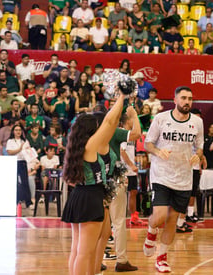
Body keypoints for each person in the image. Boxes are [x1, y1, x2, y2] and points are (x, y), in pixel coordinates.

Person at [61, 89, 125, 275]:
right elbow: (110, 122)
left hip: (84, 195)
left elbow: (110, 124)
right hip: (89, 197)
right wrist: (122, 96)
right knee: (84, 252)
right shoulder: (91, 146)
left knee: (80, 249)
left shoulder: (85, 146)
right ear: (92, 130)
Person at [143, 86, 204, 272]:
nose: (187, 102)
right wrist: (157, 151)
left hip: (184, 177)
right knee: (160, 216)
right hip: (161, 174)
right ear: (175, 99)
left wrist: (198, 155)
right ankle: (151, 230)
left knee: (172, 220)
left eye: (190, 99)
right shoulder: (161, 119)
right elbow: (148, 144)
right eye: (184, 98)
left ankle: (162, 257)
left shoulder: (197, 122)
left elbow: (199, 146)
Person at [107, 105, 141, 272]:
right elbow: (137, 133)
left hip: (96, 178)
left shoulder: (91, 132)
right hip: (114, 176)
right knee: (118, 221)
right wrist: (134, 115)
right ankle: (121, 260)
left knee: (100, 221)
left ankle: (96, 258)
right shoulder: (115, 131)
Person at [6, 124, 33, 209]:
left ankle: (28, 202)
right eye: (16, 130)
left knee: (25, 182)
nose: (18, 132)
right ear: (13, 132)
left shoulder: (25, 141)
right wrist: (20, 149)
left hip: (23, 162)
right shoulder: (10, 141)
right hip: (14, 162)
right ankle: (15, 201)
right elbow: (10, 152)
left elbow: (29, 152)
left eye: (19, 130)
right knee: (14, 182)